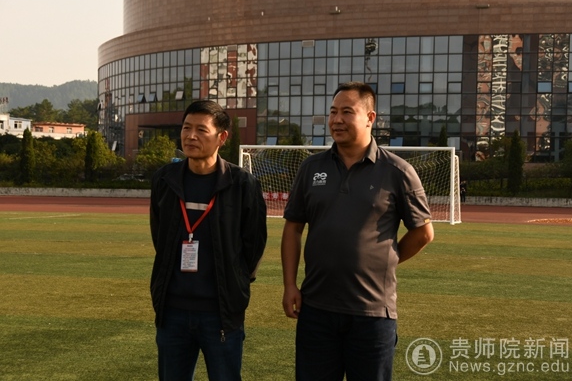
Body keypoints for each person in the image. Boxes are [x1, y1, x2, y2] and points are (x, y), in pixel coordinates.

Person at [281, 82, 435, 380]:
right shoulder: (311, 168)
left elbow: (423, 234)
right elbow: (293, 229)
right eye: (333, 112)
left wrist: (386, 259)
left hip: (373, 314)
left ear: (370, 117)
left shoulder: (398, 171)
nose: (337, 120)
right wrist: (289, 285)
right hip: (316, 310)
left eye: (347, 112)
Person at [150, 100, 267, 381]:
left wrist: (237, 283)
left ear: (221, 137)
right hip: (172, 311)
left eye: (201, 130)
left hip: (221, 312)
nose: (191, 136)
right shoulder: (164, 180)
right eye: (186, 128)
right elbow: (159, 236)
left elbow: (254, 245)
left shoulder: (243, 184)